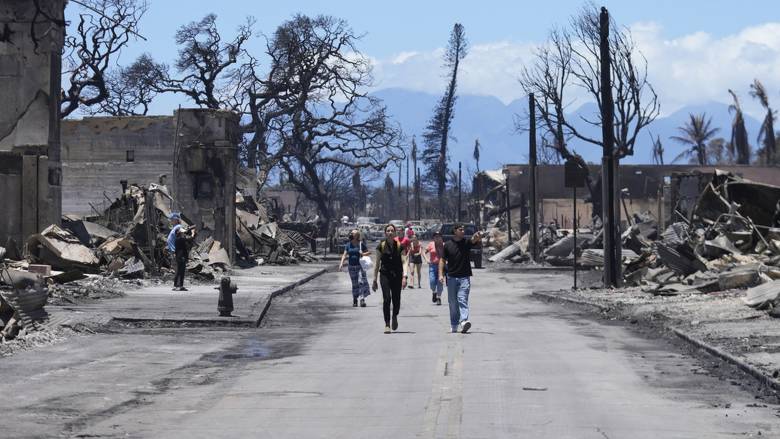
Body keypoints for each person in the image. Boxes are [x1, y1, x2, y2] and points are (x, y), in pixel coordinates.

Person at [439, 223, 481, 333]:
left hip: (464, 277)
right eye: (461, 229)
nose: (463, 231)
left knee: (462, 299)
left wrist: (477, 236)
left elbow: (473, 239)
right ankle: (454, 323)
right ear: (455, 231)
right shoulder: (447, 245)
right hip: (451, 277)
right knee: (453, 302)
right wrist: (440, 275)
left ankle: (463, 321)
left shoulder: (466, 242)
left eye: (464, 229)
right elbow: (442, 260)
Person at [372, 224, 407, 334]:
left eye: (392, 231)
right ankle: (387, 324)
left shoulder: (400, 246)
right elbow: (377, 264)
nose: (390, 233)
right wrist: (374, 280)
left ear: (395, 233)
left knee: (396, 299)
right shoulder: (380, 246)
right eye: (388, 231)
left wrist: (405, 276)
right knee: (387, 298)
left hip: (397, 275)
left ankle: (394, 315)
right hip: (385, 275)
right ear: (385, 233)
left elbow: (404, 262)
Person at [338, 229, 371, 307]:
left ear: (357, 235)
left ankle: (362, 299)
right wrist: (341, 263)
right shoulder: (348, 244)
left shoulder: (360, 244)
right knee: (354, 284)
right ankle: (355, 299)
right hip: (351, 267)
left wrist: (362, 253)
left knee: (361, 282)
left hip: (360, 266)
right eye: (351, 233)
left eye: (353, 233)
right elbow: (344, 255)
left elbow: (369, 252)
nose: (351, 234)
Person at [173, 224, 197, 291]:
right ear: (179, 233)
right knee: (182, 272)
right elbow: (190, 238)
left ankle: (176, 285)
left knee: (178, 271)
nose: (183, 233)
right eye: (182, 232)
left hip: (179, 256)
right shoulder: (181, 239)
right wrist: (192, 233)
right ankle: (180, 286)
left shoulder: (178, 239)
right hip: (181, 257)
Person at [423, 232, 444, 305]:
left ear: (441, 237)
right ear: (433, 237)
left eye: (439, 236)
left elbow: (448, 254)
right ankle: (434, 292)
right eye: (435, 236)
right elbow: (424, 252)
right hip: (432, 265)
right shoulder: (431, 244)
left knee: (440, 282)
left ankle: (439, 297)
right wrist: (426, 259)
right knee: (432, 281)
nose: (437, 238)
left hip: (441, 266)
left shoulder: (443, 245)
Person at [167, 213, 183, 290]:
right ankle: (177, 284)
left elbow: (179, 240)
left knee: (177, 268)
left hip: (175, 251)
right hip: (173, 251)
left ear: (176, 220)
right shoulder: (175, 227)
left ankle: (178, 285)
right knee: (176, 268)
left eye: (172, 219)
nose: (170, 221)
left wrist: (174, 251)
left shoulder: (178, 227)